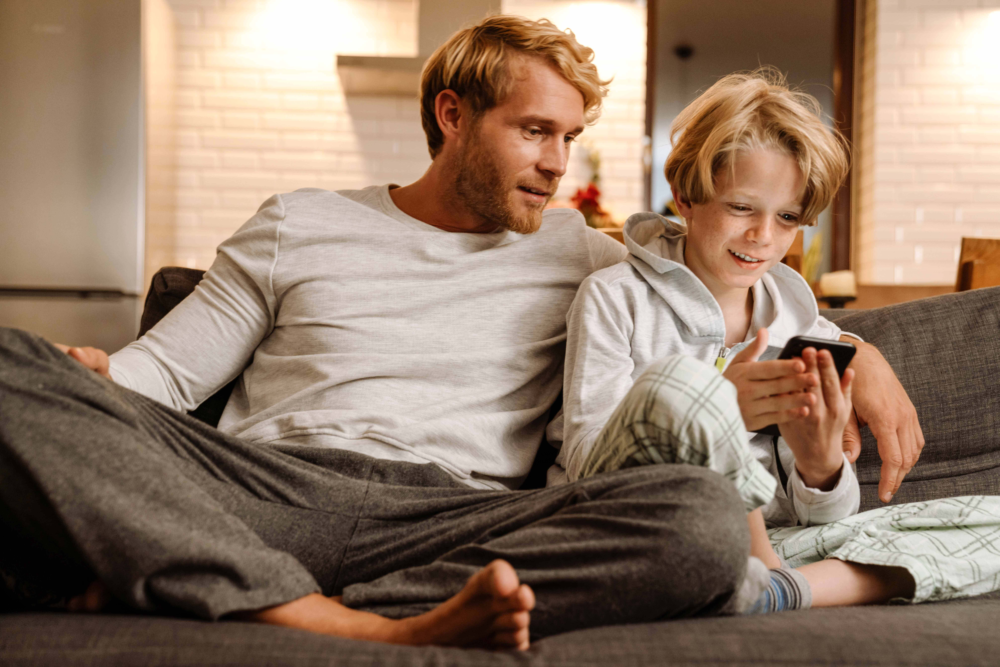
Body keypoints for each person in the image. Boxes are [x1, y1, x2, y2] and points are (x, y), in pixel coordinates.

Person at [0, 17, 921, 650]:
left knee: (703, 520)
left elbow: (731, 258)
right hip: (263, 484)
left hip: (455, 516)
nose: (558, 164)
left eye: (570, 137)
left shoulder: (590, 255)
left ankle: (191, 579)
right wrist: (86, 385)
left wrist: (860, 350)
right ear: (452, 116)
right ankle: (339, 619)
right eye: (534, 132)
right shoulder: (299, 221)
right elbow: (160, 371)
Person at [557, 68, 1000, 613]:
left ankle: (783, 592)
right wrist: (716, 407)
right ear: (686, 196)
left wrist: (820, 467)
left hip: (777, 547)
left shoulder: (801, 327)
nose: (763, 237)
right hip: (647, 524)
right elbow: (582, 466)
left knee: (990, 522)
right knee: (676, 393)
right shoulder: (614, 297)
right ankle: (753, 579)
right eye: (741, 207)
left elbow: (824, 518)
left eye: (787, 217)